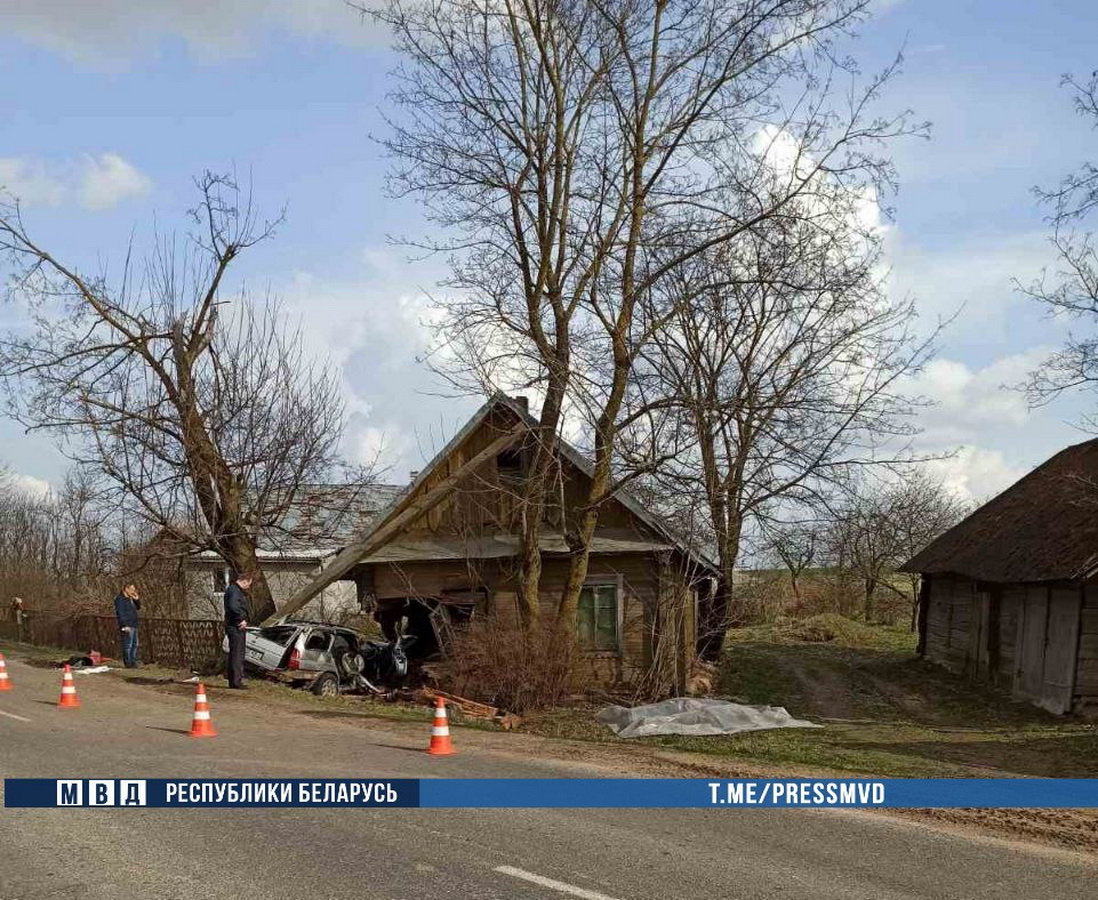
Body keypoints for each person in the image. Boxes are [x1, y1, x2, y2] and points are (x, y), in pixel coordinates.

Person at [223, 571, 254, 689]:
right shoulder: (235, 591)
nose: (248, 587)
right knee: (237, 654)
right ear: (244, 581)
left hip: (233, 625)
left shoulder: (232, 590)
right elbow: (233, 606)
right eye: (248, 584)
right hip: (236, 626)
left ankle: (234, 680)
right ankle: (236, 681)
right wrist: (241, 618)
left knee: (235, 653)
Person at [113, 584, 141, 668]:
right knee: (127, 645)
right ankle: (128, 663)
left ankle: (133, 661)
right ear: (126, 589)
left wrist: (137, 600)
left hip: (134, 623)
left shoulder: (131, 598)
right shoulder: (120, 599)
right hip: (127, 624)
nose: (133, 591)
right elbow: (120, 613)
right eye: (132, 589)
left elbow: (138, 607)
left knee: (135, 644)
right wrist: (125, 625)